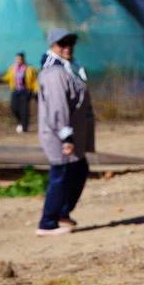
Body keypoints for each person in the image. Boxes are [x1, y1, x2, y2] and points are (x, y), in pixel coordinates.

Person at [36, 29, 94, 236]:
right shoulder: (54, 72)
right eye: (62, 44)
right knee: (61, 175)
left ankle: (62, 213)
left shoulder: (68, 68)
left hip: (69, 133)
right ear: (52, 46)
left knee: (78, 169)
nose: (67, 47)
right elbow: (58, 107)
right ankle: (47, 222)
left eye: (70, 43)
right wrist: (66, 137)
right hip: (58, 134)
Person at [0, 52, 39, 134]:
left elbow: (35, 81)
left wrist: (36, 91)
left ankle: (24, 127)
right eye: (17, 58)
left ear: (23, 59)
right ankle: (21, 122)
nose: (18, 60)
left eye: (20, 59)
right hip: (15, 90)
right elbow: (9, 77)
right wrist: (2, 80)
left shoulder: (30, 69)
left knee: (24, 110)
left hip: (26, 91)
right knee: (13, 107)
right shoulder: (12, 68)